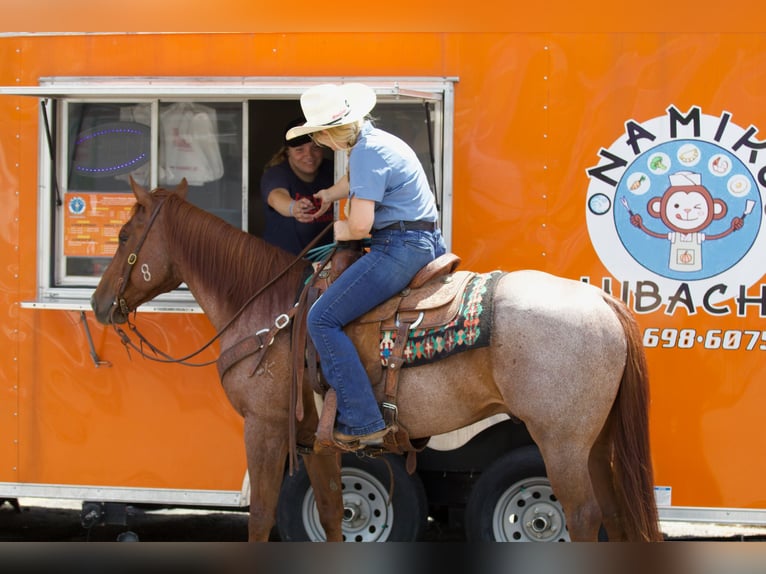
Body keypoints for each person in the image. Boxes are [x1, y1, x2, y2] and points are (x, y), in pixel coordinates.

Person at [286, 83, 446, 447]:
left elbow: (359, 226)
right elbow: (355, 183)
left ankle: (361, 420)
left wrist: (339, 226)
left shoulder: (364, 153)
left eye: (317, 137)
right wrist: (329, 195)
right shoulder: (377, 142)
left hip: (400, 247)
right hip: (423, 240)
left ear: (326, 134)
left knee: (321, 318)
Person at [260, 117, 334, 255]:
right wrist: (293, 207)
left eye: (315, 147)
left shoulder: (334, 170)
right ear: (288, 151)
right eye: (300, 150)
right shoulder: (276, 174)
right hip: (284, 264)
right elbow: (276, 197)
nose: (309, 155)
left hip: (326, 263)